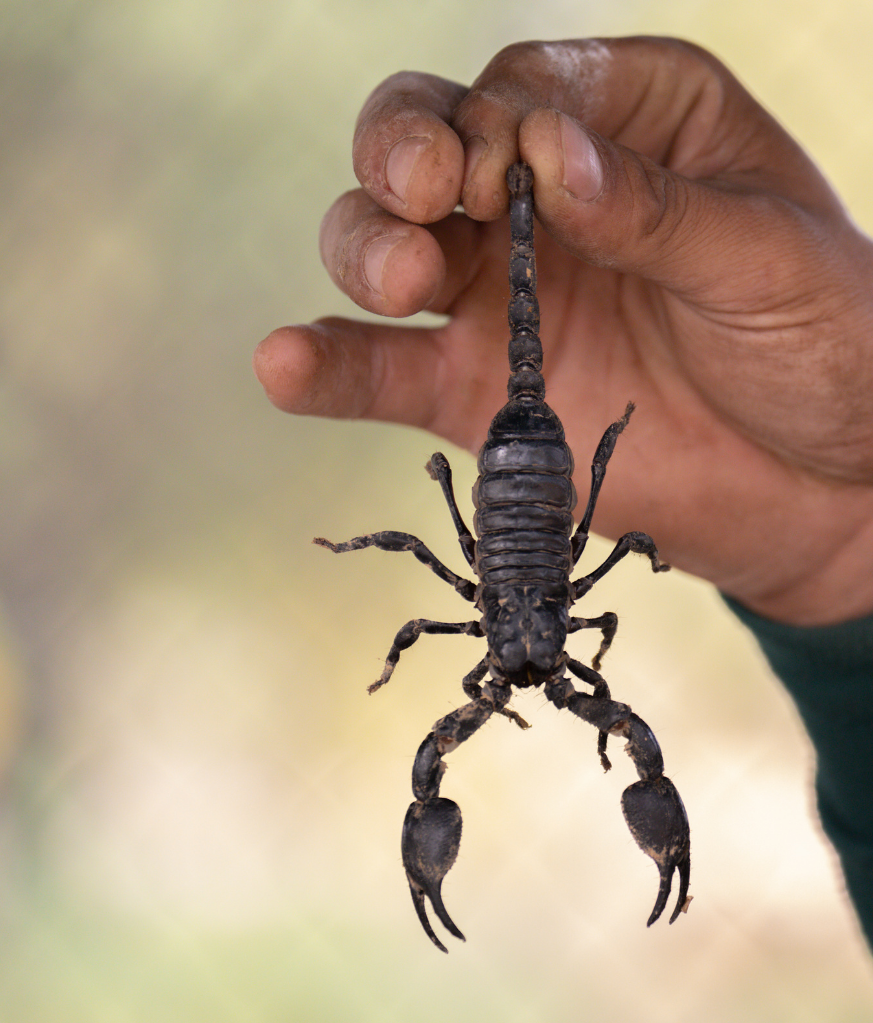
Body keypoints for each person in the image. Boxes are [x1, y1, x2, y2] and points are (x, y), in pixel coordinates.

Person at [252, 36, 873, 948]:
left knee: (439, 667)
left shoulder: (498, 657)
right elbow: (591, 610)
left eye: (521, 679)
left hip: (516, 499)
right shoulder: (567, 654)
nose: (528, 682)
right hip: (535, 502)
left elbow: (438, 599)